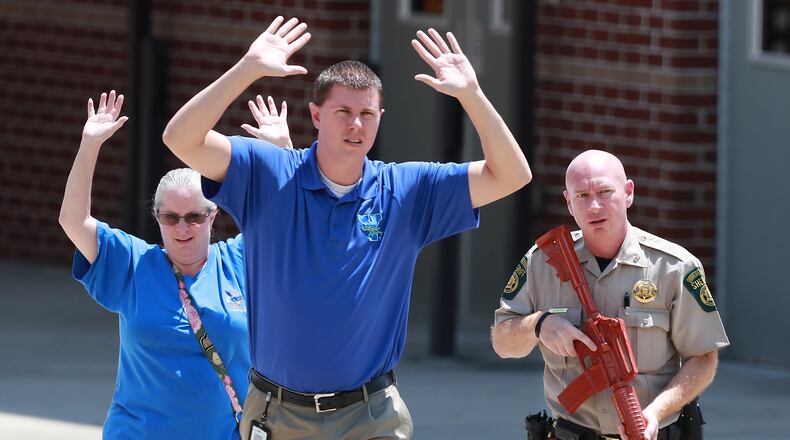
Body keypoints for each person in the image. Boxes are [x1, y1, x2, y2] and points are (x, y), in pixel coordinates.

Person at [162, 15, 532, 440]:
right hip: (278, 415)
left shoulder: (405, 190)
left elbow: (511, 175)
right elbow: (180, 138)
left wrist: (472, 95)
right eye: (343, 112)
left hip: (371, 416)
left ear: (380, 118)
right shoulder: (267, 172)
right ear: (316, 115)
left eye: (366, 114)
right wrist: (248, 68)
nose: (356, 124)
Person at [59, 90, 288, 439]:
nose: (182, 228)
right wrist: (89, 145)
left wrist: (282, 152)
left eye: (194, 216)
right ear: (157, 217)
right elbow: (73, 221)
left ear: (213, 215)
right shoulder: (134, 263)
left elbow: (288, 221)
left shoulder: (240, 260)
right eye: (170, 217)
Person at [491, 150, 729, 440]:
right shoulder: (541, 263)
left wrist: (655, 413)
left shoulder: (673, 267)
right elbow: (502, 342)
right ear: (569, 202)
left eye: (605, 192)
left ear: (628, 193)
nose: (594, 206)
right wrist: (539, 324)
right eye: (582, 196)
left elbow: (704, 357)